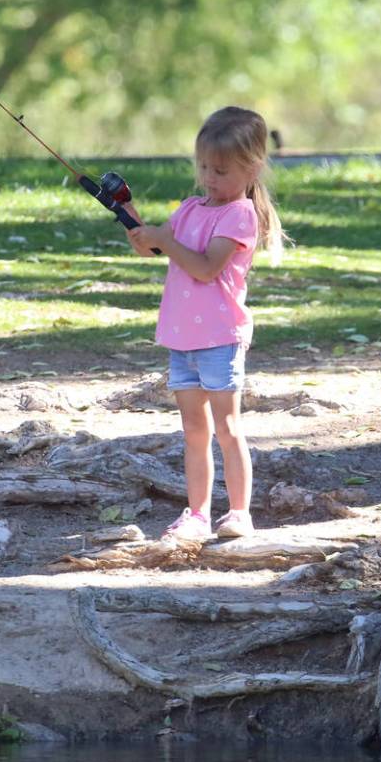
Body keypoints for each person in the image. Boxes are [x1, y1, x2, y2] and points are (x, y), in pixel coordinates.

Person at [123, 106, 285, 540]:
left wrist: (164, 239)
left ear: (251, 168)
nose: (210, 178)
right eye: (204, 167)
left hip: (219, 337)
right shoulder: (191, 208)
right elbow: (154, 250)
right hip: (183, 337)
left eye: (221, 170)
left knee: (227, 427)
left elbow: (206, 267)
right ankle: (195, 514)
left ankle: (238, 512)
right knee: (194, 430)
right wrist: (136, 224)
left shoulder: (240, 215)